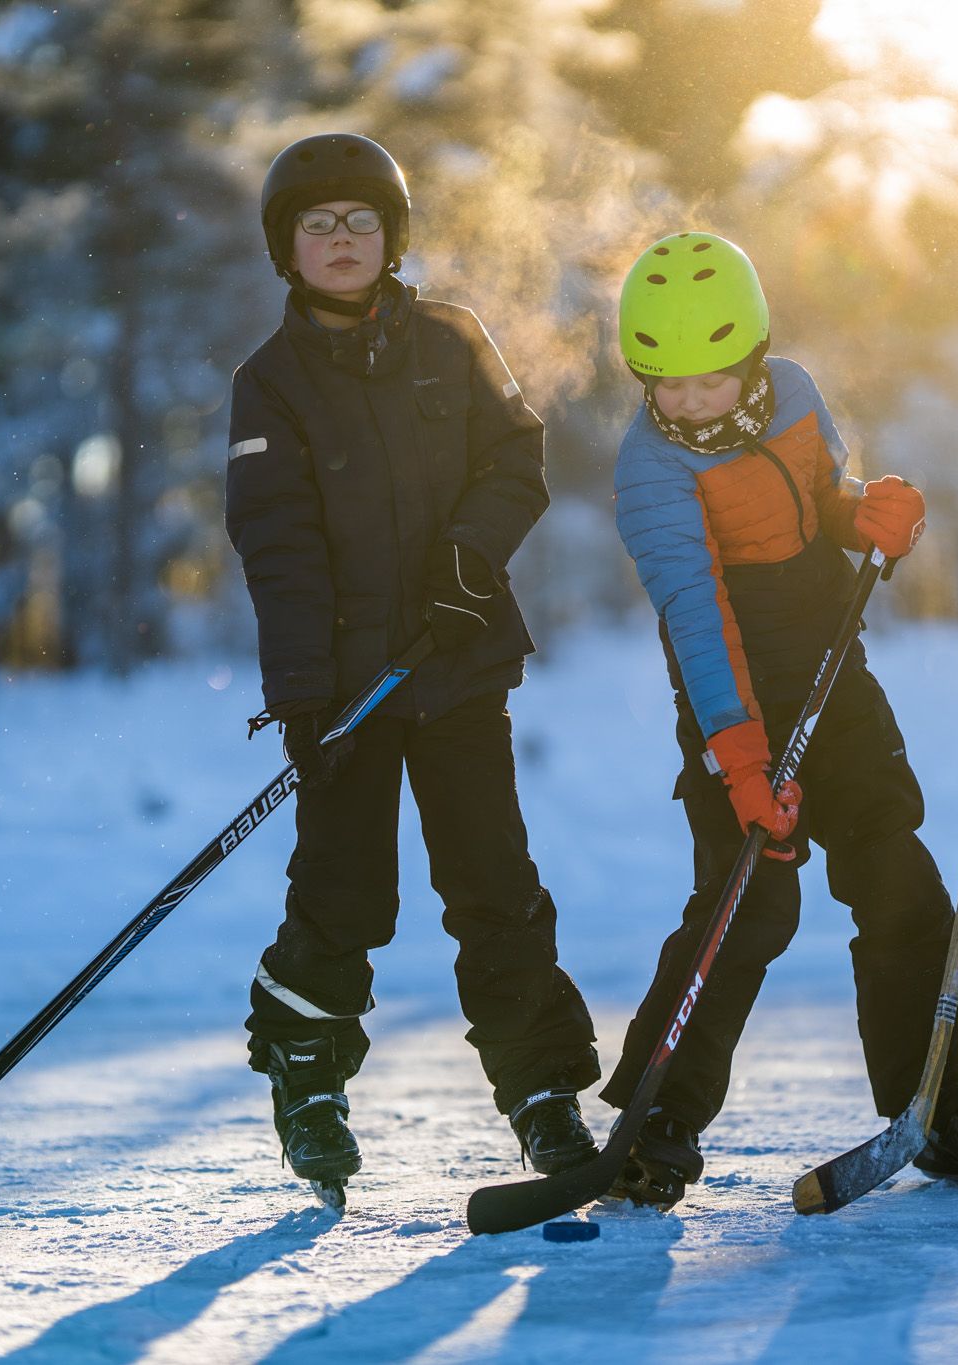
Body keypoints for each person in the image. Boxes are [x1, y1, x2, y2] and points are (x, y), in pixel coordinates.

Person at [602, 231, 958, 1209]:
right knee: (751, 906)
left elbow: (816, 504)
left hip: (836, 679)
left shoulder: (792, 392)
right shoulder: (649, 474)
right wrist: (739, 759)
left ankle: (934, 1102)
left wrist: (862, 513)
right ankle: (652, 1121)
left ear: (751, 357)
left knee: (897, 878)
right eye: (665, 385)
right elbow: (698, 623)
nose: (691, 403)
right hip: (730, 699)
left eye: (711, 379)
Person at [222, 132, 600, 1201]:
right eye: (315, 225)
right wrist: (303, 696)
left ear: (391, 237)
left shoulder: (453, 338)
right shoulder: (269, 383)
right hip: (345, 689)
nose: (339, 240)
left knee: (494, 885)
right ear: (284, 249)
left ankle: (542, 1097)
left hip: (459, 667)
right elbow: (276, 543)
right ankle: (306, 1079)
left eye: (358, 221)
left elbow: (514, 456)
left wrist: (464, 558)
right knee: (345, 897)